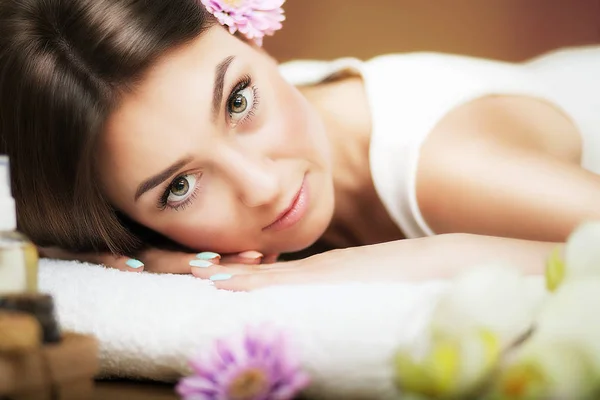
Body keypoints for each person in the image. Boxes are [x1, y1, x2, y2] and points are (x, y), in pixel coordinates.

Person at [0, 0, 598, 291]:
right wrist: (141, 261)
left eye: (237, 101)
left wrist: (399, 263)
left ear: (245, 31)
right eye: (179, 187)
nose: (262, 187)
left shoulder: (448, 166)